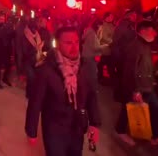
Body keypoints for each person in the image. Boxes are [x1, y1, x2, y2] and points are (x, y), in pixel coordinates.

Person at [25, 27, 101, 156]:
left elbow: (91, 95)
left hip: (77, 126)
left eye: (76, 42)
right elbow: (35, 102)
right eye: (68, 43)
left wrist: (94, 123)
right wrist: (31, 131)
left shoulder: (84, 66)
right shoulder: (46, 68)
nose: (74, 47)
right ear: (58, 43)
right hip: (54, 128)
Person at [115, 21, 158, 146]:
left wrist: (157, 73)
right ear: (143, 31)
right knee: (128, 109)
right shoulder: (135, 46)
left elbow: (147, 64)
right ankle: (120, 131)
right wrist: (135, 90)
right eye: (151, 30)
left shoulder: (146, 45)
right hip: (138, 86)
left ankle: (154, 136)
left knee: (157, 108)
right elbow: (130, 70)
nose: (154, 33)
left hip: (147, 85)